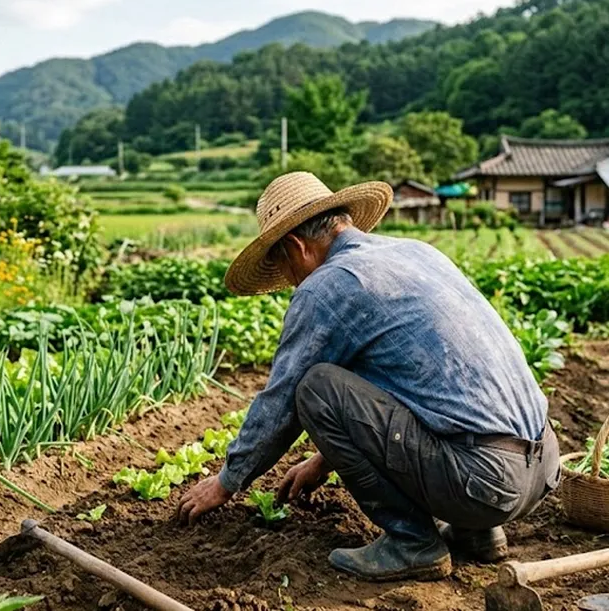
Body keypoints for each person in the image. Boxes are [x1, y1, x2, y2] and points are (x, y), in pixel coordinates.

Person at [176, 172, 561, 582]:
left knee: (316, 388)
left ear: (296, 246)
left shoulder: (328, 286)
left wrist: (226, 482)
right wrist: (323, 461)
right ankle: (477, 533)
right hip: (541, 469)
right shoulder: (416, 253)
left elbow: (282, 402)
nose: (291, 282)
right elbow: (410, 386)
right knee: (411, 385)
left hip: (483, 483)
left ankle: (413, 543)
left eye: (285, 268)